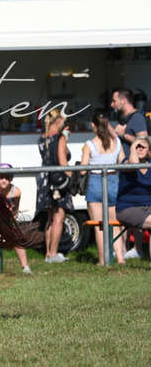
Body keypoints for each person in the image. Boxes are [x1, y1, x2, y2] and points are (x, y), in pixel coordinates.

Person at [80, 111, 126, 265]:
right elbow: (122, 162)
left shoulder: (89, 144)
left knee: (99, 225)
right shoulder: (117, 142)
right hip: (113, 181)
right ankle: (120, 258)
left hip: (95, 181)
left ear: (93, 125)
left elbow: (82, 170)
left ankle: (102, 260)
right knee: (114, 223)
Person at [37, 108, 73, 263]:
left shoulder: (42, 138)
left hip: (45, 180)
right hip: (58, 181)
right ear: (59, 121)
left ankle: (48, 253)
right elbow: (63, 162)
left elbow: (49, 157)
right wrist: (74, 178)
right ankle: (53, 253)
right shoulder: (59, 138)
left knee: (50, 217)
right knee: (59, 216)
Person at [116, 135, 151, 267]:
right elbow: (134, 164)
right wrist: (133, 146)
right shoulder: (126, 162)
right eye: (137, 146)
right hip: (127, 209)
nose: (140, 149)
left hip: (147, 208)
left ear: (148, 150)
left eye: (143, 147)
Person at [109, 88, 148, 159]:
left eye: (114, 101)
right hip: (124, 162)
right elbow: (117, 133)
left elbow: (143, 142)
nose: (112, 104)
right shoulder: (125, 117)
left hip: (133, 163)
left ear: (124, 100)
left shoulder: (137, 117)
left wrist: (124, 135)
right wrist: (106, 123)